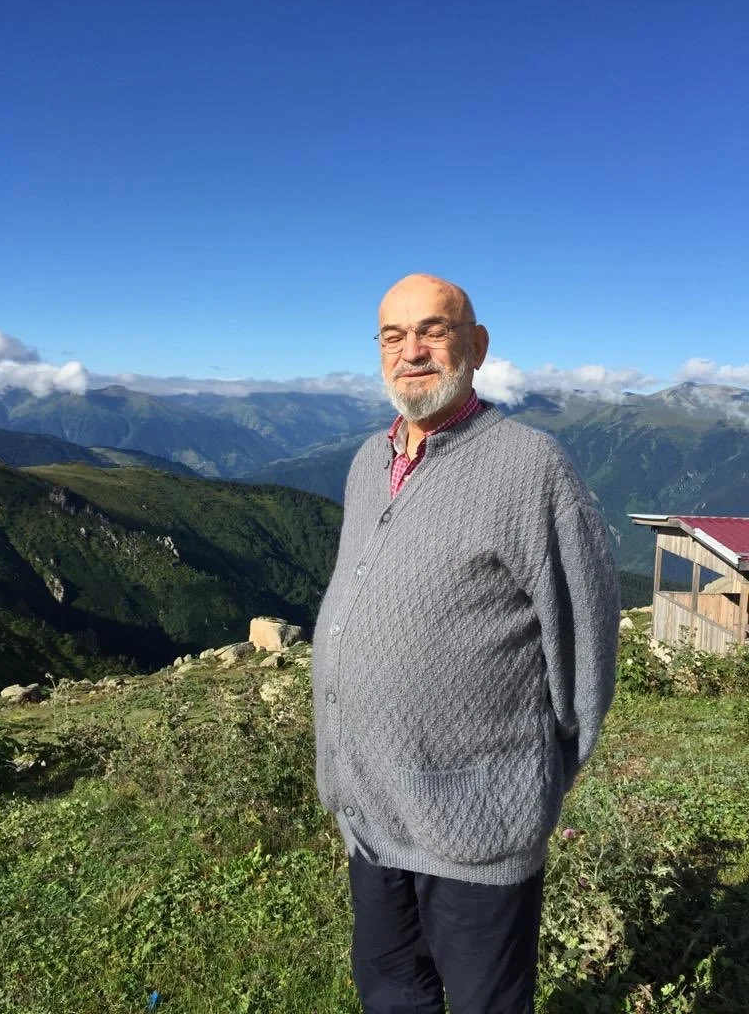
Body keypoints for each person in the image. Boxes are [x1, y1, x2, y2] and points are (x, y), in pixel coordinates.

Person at [312, 273, 619, 1013]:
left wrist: (536, 776)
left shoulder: (530, 465)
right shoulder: (368, 462)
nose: (412, 350)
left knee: (486, 1001)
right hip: (371, 812)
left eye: (434, 330)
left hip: (478, 825)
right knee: (390, 988)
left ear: (476, 347)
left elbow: (586, 638)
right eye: (393, 336)